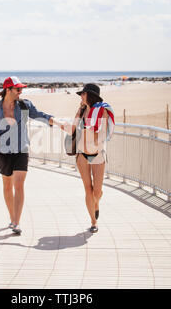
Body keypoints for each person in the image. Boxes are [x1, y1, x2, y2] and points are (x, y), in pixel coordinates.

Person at [0, 76, 58, 235]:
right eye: (18, 89)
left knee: (19, 184)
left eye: (21, 89)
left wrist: (55, 121)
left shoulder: (24, 106)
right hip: (3, 152)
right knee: (7, 186)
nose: (20, 92)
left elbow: (40, 115)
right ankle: (12, 217)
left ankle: (16, 222)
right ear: (8, 90)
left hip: (22, 150)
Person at [58, 84, 115, 233]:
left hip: (97, 154)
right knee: (88, 189)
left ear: (90, 95)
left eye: (83, 94)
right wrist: (61, 125)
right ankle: (93, 221)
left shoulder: (102, 112)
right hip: (82, 154)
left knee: (97, 191)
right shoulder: (81, 110)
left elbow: (101, 135)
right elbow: (73, 128)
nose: (81, 97)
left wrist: (87, 131)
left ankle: (96, 203)